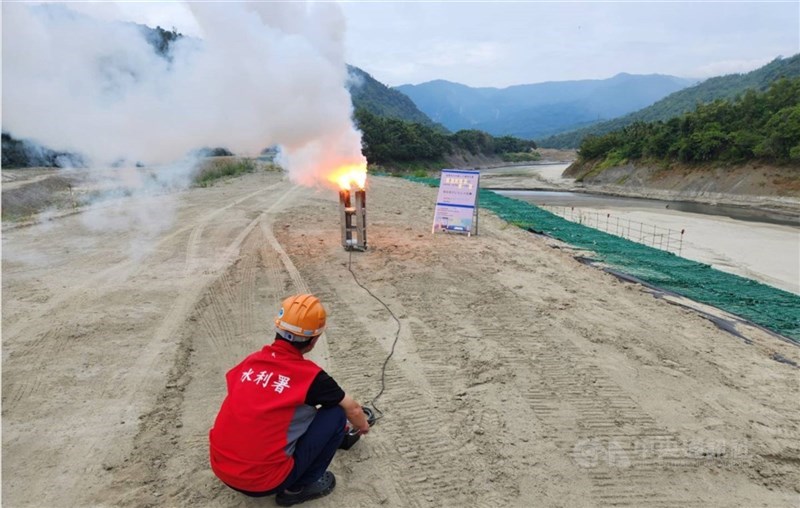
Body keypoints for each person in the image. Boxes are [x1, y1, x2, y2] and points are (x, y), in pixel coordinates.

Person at [209, 294, 370, 506]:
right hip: (264, 481)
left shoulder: (251, 363)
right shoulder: (311, 377)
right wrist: (363, 427)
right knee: (336, 413)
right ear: (313, 341)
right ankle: (298, 488)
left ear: (278, 329)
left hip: (222, 468)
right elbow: (353, 410)